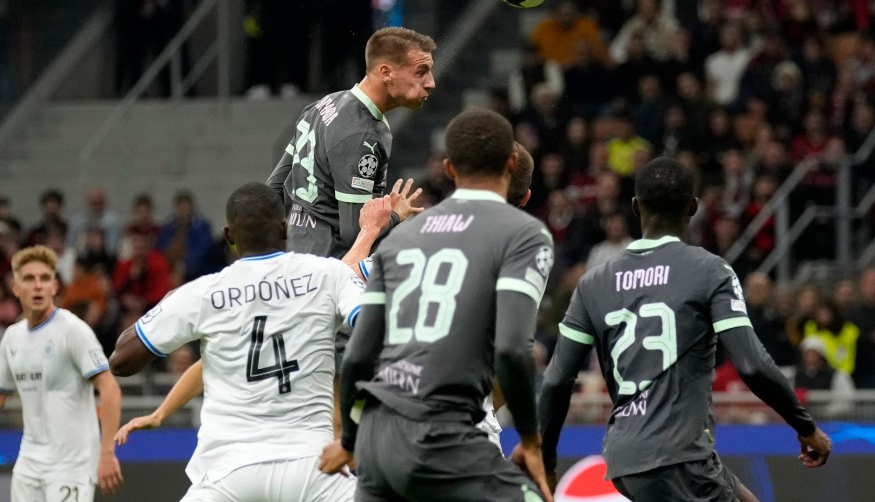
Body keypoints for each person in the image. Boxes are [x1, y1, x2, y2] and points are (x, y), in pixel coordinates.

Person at [536, 157, 832, 502]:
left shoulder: (592, 283)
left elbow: (557, 380)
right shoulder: (710, 271)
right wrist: (805, 427)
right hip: (678, 456)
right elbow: (752, 364)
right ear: (693, 206)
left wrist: (545, 458)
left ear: (635, 207)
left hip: (624, 457)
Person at [320, 109, 554, 501]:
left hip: (378, 441)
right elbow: (513, 352)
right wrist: (530, 439)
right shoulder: (523, 236)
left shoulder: (401, 238)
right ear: (513, 167)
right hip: (449, 435)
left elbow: (358, 354)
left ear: (449, 168)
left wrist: (349, 439)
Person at [108, 183, 393, 502]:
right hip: (313, 465)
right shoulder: (326, 275)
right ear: (284, 230)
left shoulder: (204, 293)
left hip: (227, 472)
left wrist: (171, 306)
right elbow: (374, 329)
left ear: (229, 237)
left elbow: (120, 360)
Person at [266, 26, 434, 258]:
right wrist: (395, 214)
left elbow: (275, 190)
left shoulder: (322, 104)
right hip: (332, 273)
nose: (431, 83)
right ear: (386, 73)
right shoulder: (363, 136)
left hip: (296, 264)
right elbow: (354, 232)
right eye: (421, 72)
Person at [0, 245, 123, 500]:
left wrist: (107, 452)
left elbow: (109, 388)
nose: (38, 286)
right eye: (29, 279)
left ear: (54, 287)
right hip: (29, 462)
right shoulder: (12, 337)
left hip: (72, 466)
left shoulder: (73, 331)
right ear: (15, 287)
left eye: (45, 279)